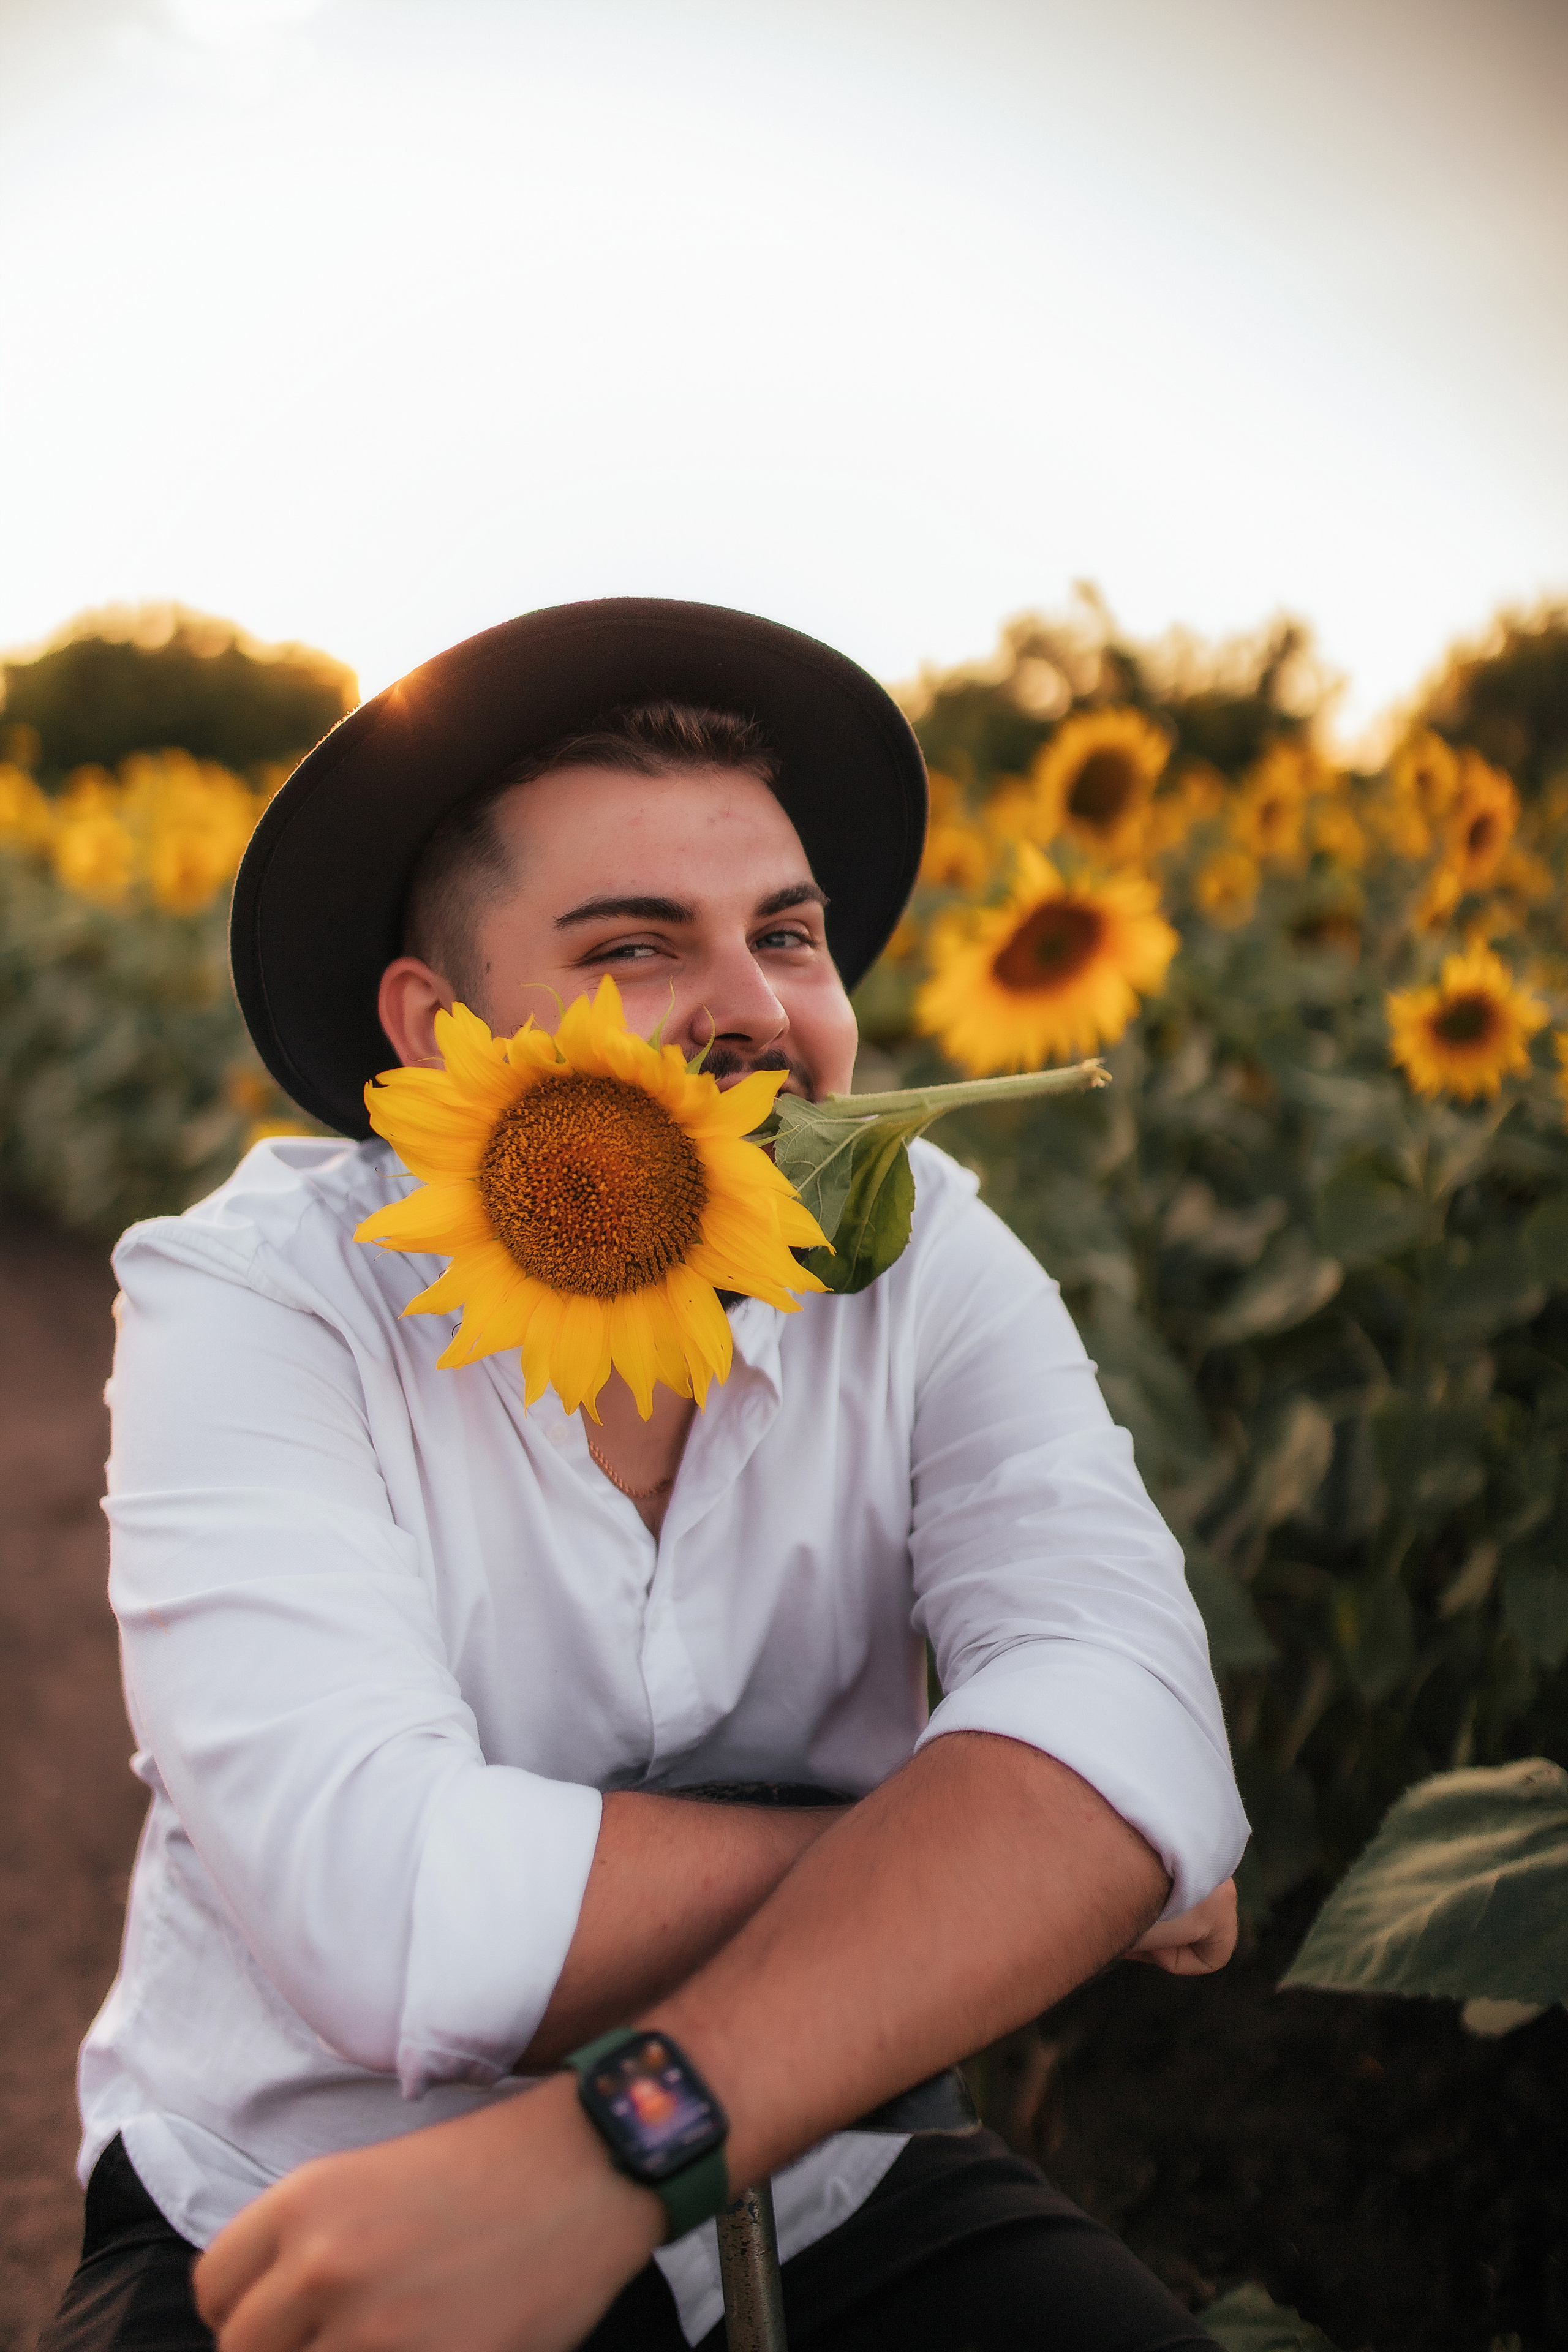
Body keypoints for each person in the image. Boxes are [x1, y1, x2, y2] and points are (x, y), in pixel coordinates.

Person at [43, 600, 1247, 2352]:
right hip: (318, 2200)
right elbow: (392, 1909)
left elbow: (1137, 1729)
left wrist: (628, 2144)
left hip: (827, 2173)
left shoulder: (923, 1260)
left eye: (790, 934)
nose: (753, 1008)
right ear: (434, 1029)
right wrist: (998, 1853)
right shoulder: (264, 1296)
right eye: (634, 949)